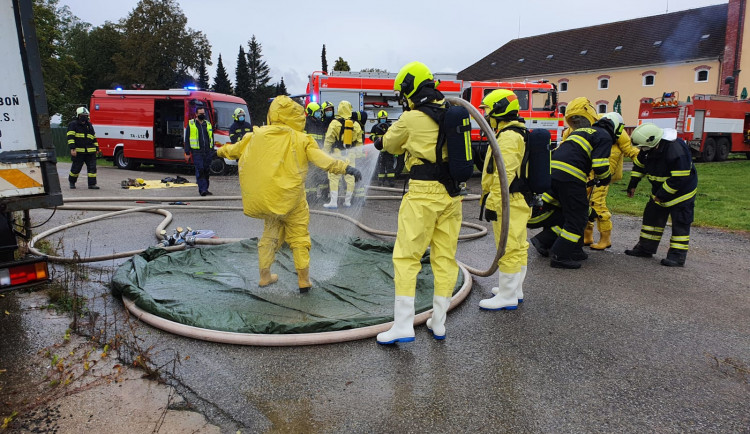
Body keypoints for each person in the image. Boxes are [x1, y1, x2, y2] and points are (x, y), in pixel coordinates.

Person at [216, 95, 362, 292]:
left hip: (270, 201)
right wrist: (346, 168)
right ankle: (303, 280)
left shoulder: (254, 136)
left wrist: (216, 152)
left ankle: (264, 276)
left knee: (269, 237)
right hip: (294, 201)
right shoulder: (302, 139)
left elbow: (232, 150)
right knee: (300, 238)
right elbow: (323, 160)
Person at [374, 61, 462, 344]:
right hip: (451, 195)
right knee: (444, 259)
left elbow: (389, 144)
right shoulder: (451, 112)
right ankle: (438, 323)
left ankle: (402, 326)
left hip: (423, 194)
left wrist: (381, 138)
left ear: (410, 89)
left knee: (406, 257)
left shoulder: (411, 118)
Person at [529, 109, 621, 269]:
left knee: (567, 213)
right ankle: (560, 255)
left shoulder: (583, 131)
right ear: (617, 129)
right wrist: (605, 178)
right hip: (571, 176)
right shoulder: (604, 136)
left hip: (553, 173)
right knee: (579, 217)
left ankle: (551, 242)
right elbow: (600, 164)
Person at [557, 101, 641, 250]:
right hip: (584, 174)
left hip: (603, 174)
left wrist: (644, 162)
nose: (577, 123)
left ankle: (605, 238)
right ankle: (587, 236)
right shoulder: (572, 130)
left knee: (597, 204)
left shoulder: (609, 127)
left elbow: (629, 149)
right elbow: (566, 146)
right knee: (584, 204)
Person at [477, 89, 530, 310]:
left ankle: (507, 296)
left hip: (509, 200)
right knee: (517, 245)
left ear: (499, 110)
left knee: (508, 247)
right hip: (516, 199)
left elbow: (503, 174)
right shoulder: (515, 133)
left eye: (488, 110)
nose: (487, 115)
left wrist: (492, 203)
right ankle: (513, 289)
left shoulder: (508, 137)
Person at [625, 123, 698, 267]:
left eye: (642, 147)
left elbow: (679, 178)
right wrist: (633, 184)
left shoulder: (676, 150)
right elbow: (639, 165)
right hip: (660, 190)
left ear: (653, 142)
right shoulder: (648, 148)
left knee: (680, 224)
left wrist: (662, 194)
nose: (641, 150)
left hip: (682, 193)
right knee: (651, 219)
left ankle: (677, 257)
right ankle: (645, 249)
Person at [322, 101, 363, 208]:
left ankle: (333, 202)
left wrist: (325, 154)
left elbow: (329, 140)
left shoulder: (334, 123)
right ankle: (347, 201)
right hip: (351, 155)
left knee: (334, 177)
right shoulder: (356, 124)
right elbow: (359, 142)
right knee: (350, 178)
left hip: (337, 154)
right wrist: (357, 154)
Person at [184, 106, 215, 196]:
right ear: (196, 114)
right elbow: (187, 139)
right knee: (200, 170)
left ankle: (206, 188)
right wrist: (187, 152)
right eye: (200, 114)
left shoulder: (207, 124)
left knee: (206, 170)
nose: (202, 115)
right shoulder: (192, 124)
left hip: (207, 152)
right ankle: (202, 189)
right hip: (197, 152)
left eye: (203, 113)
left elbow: (211, 138)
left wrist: (212, 150)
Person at [67, 107, 100, 189]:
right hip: (79, 151)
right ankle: (72, 182)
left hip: (90, 151)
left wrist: (96, 148)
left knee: (92, 169)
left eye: (86, 115)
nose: (84, 117)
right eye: (83, 115)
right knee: (76, 168)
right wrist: (72, 148)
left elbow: (93, 137)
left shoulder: (89, 125)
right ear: (78, 115)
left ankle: (92, 184)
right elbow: (70, 137)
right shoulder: (73, 124)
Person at [304, 102, 328, 204]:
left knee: (321, 175)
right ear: (311, 112)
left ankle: (324, 195)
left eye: (319, 112)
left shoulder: (320, 123)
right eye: (317, 112)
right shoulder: (305, 123)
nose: (319, 114)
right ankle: (311, 197)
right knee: (310, 177)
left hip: (320, 154)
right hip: (309, 155)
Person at [371, 110, 396, 187]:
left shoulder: (390, 126)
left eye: (384, 118)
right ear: (378, 119)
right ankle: (380, 181)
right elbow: (371, 135)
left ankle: (391, 181)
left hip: (389, 150)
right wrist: (376, 139)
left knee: (390, 166)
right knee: (380, 166)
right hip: (379, 151)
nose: (383, 120)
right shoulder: (375, 127)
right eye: (381, 118)